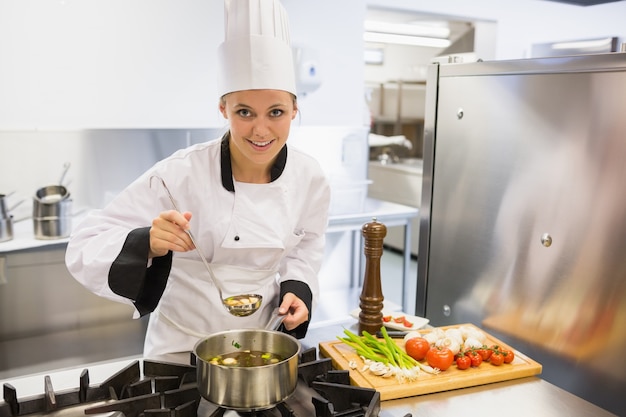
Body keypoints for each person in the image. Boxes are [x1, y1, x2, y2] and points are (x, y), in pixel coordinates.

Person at [65, 0, 331, 359]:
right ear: (223, 109)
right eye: (244, 112)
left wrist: (298, 287)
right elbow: (84, 243)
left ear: (295, 111)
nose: (261, 129)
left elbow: (307, 246)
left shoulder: (310, 177)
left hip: (263, 344)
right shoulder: (179, 175)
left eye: (277, 112)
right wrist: (149, 243)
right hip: (181, 348)